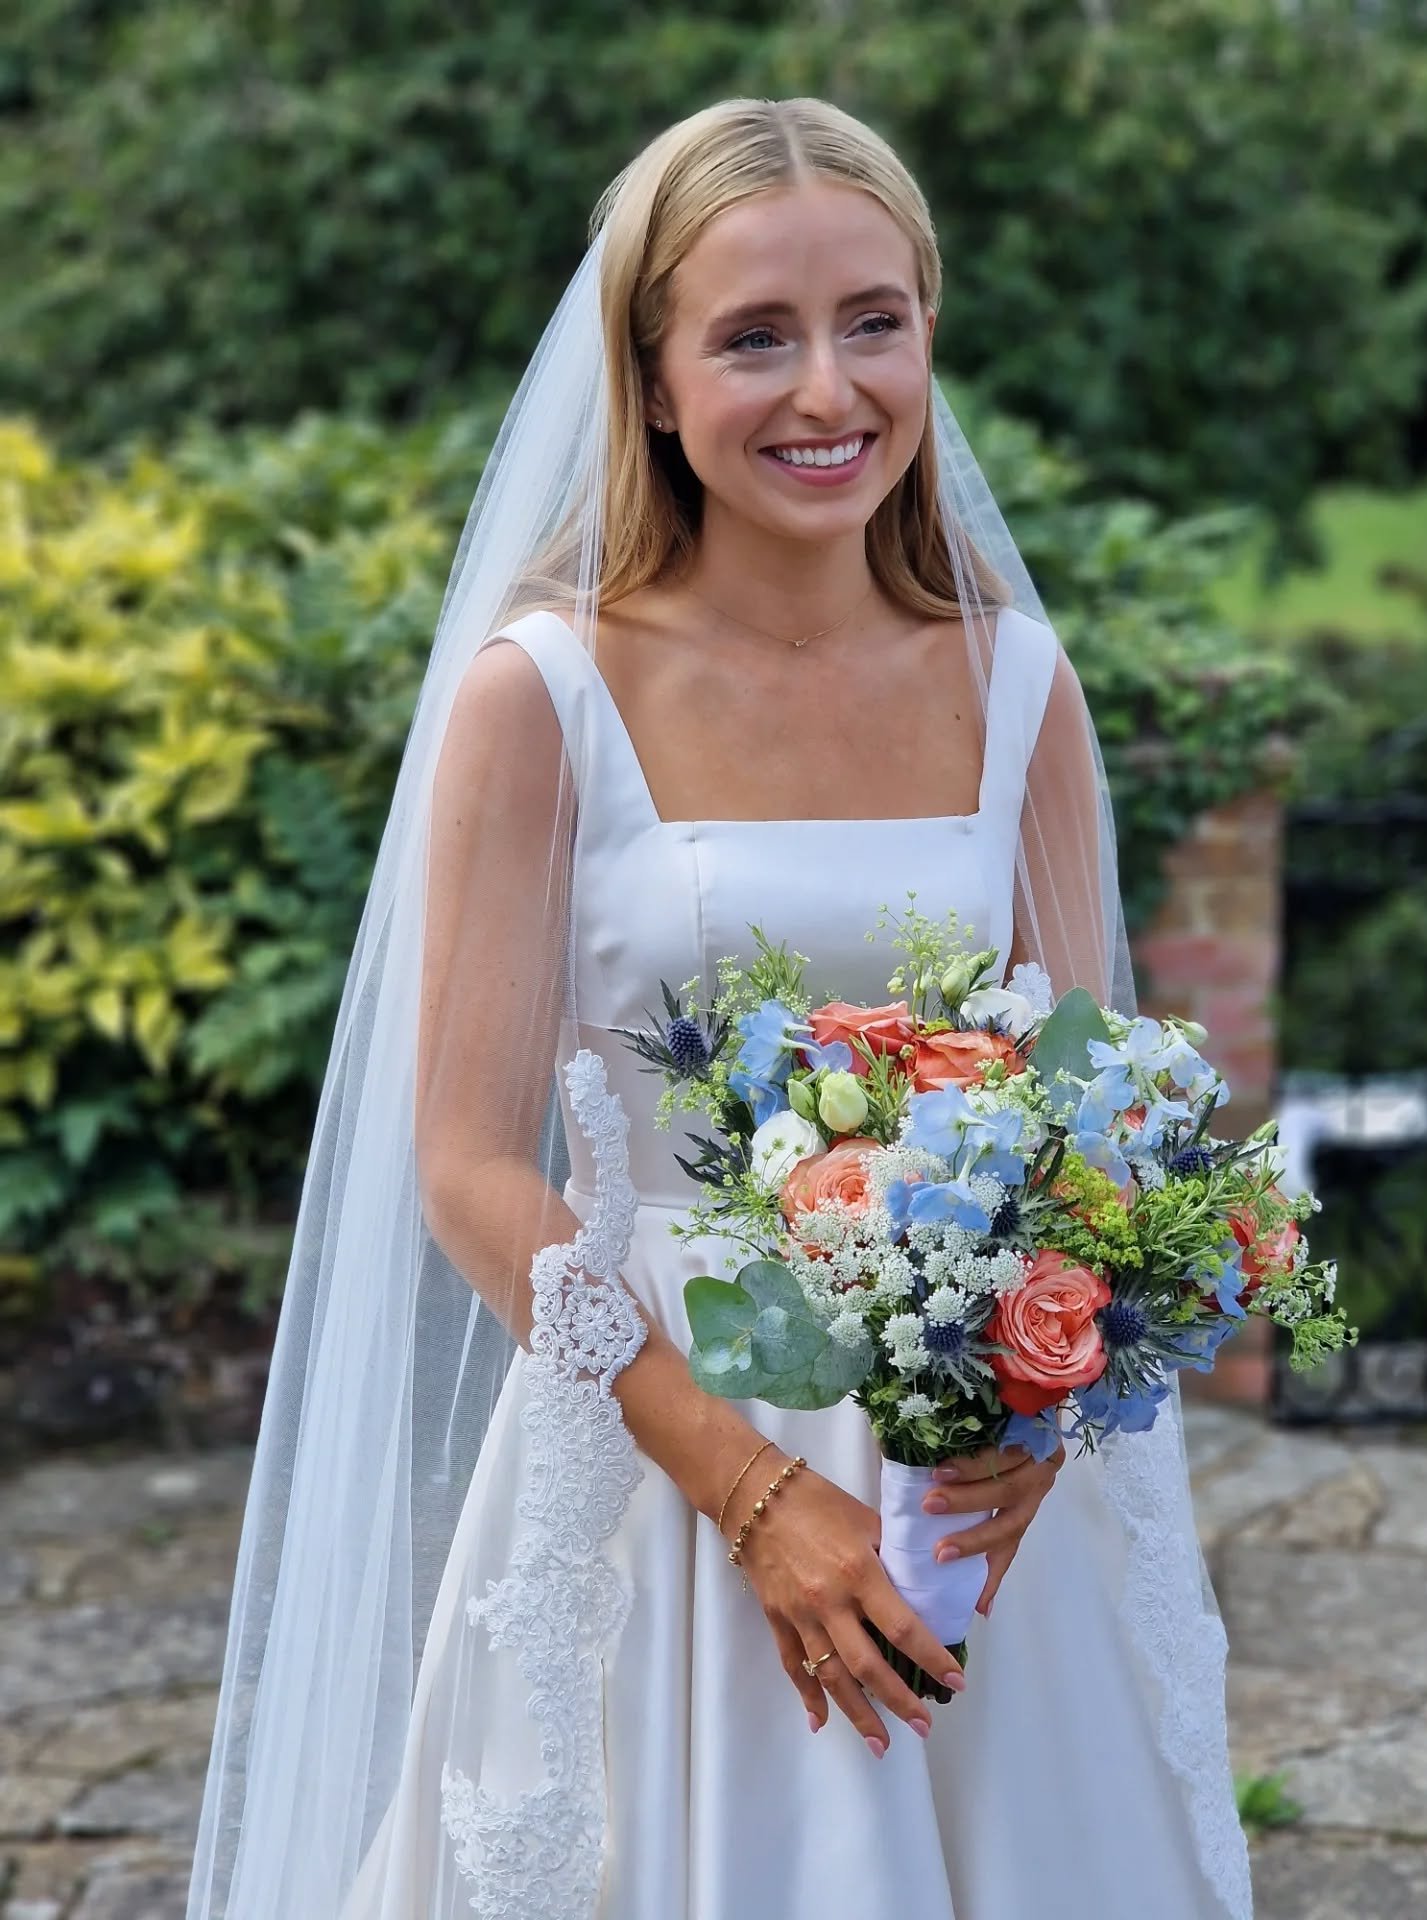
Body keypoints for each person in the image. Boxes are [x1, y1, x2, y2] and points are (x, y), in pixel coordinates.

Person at [187, 98, 1252, 1920]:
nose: (827, 389)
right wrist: (756, 1498)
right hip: (664, 1457)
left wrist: (1043, 1415)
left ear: (928, 336)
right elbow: (467, 1165)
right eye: (754, 335)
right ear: (654, 382)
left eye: (875, 321)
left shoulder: (1017, 687)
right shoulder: (548, 692)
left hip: (977, 1486)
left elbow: (1106, 1115)